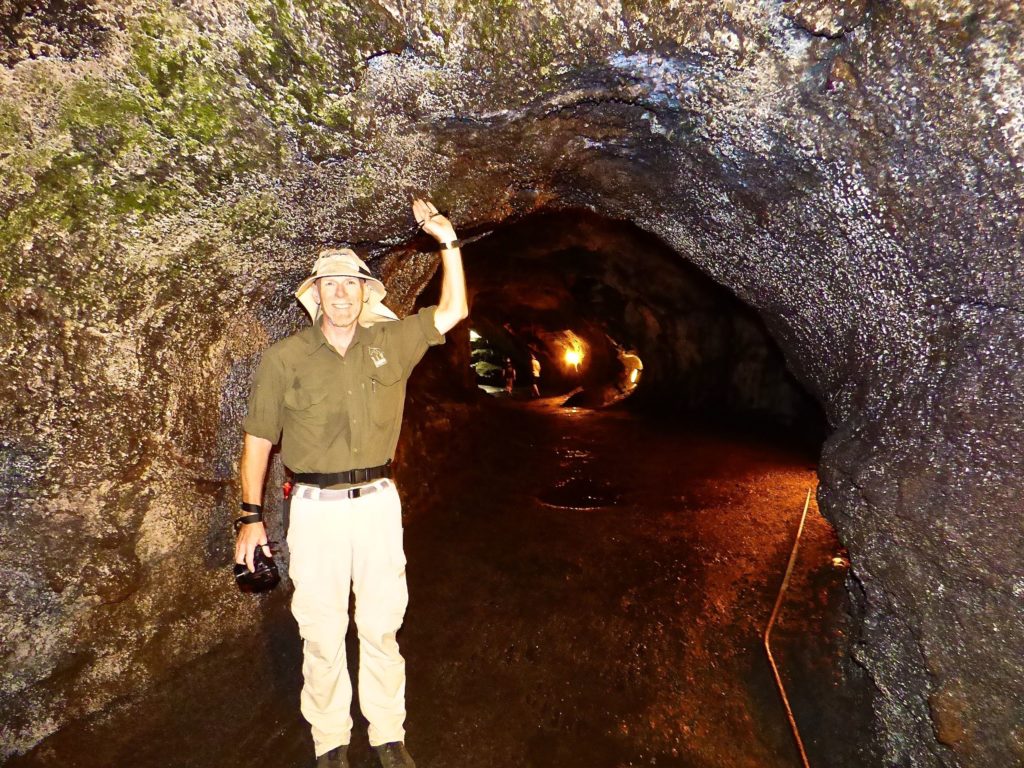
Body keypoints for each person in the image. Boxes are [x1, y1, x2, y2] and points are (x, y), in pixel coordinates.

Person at [234, 198, 467, 768]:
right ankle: (330, 741)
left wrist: (449, 242)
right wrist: (249, 517)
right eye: (330, 284)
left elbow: (453, 310)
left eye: (352, 284)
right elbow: (259, 441)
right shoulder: (284, 360)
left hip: (378, 506)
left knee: (382, 623)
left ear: (366, 294)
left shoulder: (391, 343)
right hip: (315, 509)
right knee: (321, 628)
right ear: (315, 295)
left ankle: (388, 733)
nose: (341, 293)